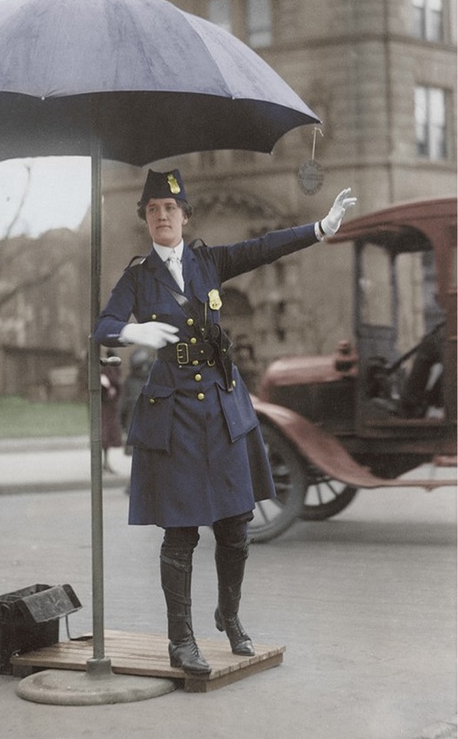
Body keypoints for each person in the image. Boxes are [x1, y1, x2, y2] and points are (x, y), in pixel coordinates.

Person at [93, 167, 356, 677]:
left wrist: (320, 229)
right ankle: (181, 639)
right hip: (174, 417)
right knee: (181, 532)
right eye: (153, 210)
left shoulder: (208, 262)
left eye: (170, 209)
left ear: (186, 217)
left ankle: (229, 616)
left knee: (236, 525)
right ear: (146, 219)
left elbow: (265, 248)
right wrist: (131, 332)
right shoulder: (137, 276)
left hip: (220, 407)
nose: (162, 217)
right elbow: (102, 327)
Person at [100, 349, 123, 473]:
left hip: (110, 407)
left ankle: (105, 463)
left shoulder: (109, 370)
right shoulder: (108, 370)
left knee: (107, 434)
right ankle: (105, 463)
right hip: (106, 407)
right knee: (105, 434)